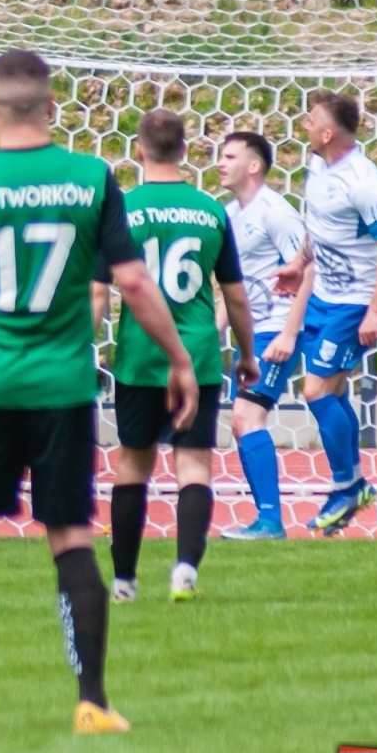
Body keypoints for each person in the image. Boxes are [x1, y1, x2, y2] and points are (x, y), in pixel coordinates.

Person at [0, 50, 197, 736]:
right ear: (52, 107)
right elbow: (131, 282)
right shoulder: (92, 178)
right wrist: (180, 358)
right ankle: (92, 702)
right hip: (64, 388)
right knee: (70, 537)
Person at [91, 110, 258, 604]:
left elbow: (98, 294)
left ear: (138, 152)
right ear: (185, 152)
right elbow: (237, 295)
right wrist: (247, 354)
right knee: (194, 468)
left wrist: (84, 347)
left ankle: (124, 581)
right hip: (199, 354)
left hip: (140, 356)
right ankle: (185, 569)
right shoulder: (212, 212)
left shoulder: (119, 209)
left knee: (133, 466)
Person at [273, 91, 377, 535]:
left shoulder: (364, 182)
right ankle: (354, 485)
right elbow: (320, 228)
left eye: (310, 121)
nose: (304, 127)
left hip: (352, 304)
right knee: (334, 390)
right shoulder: (317, 165)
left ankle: (346, 486)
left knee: (315, 391)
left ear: (328, 133)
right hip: (322, 297)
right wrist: (298, 264)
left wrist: (374, 312)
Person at [216, 131, 311, 541]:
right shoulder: (227, 214)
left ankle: (271, 522)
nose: (220, 162)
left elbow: (308, 269)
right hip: (252, 332)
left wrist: (289, 333)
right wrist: (212, 334)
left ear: (254, 166)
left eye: (230, 155)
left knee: (246, 415)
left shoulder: (277, 213)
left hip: (278, 328)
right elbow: (231, 285)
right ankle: (265, 519)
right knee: (241, 422)